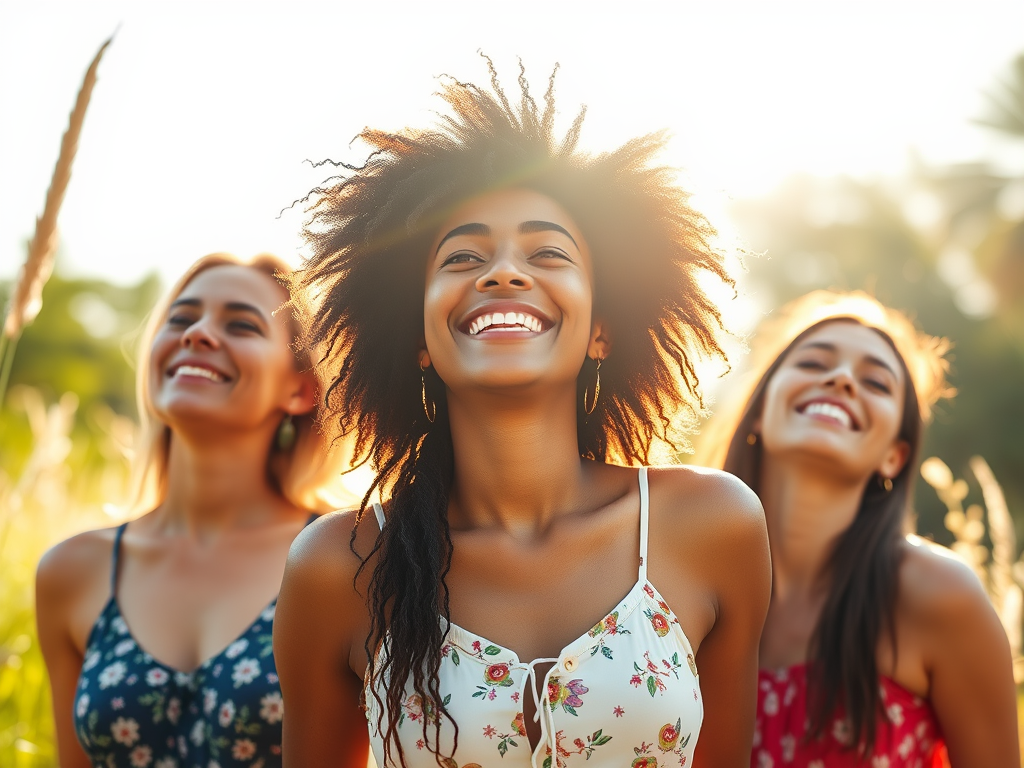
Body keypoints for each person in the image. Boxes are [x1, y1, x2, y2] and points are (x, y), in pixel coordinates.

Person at [273, 63, 772, 768]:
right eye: (465, 255)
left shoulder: (712, 526)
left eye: (546, 252)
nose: (503, 273)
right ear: (419, 339)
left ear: (601, 330)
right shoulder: (339, 565)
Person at [36, 253, 343, 768]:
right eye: (180, 319)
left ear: (301, 388)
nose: (197, 334)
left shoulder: (343, 558)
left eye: (242, 324)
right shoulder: (71, 571)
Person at [708, 290, 1018, 767]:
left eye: (875, 381)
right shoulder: (671, 581)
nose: (840, 379)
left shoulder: (940, 597)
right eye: (813, 364)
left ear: (895, 453)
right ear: (758, 413)